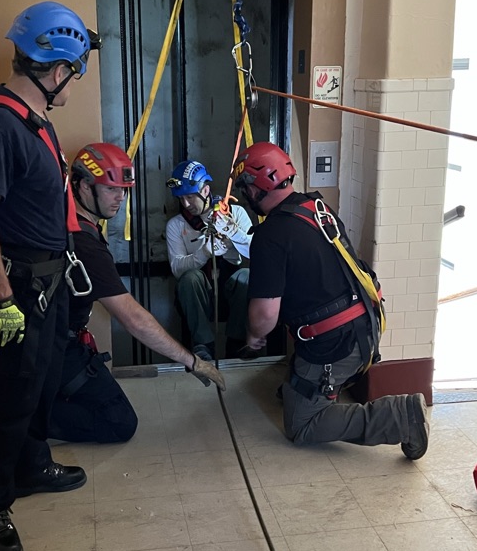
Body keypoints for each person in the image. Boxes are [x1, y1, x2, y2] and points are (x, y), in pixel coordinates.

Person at [0, 1, 97, 551]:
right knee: (8, 398)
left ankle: (32, 465)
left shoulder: (32, 116)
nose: (73, 82)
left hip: (50, 279)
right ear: (57, 68)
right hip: (18, 286)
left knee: (41, 384)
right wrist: (2, 300)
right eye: (75, 71)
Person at [232, 141, 430, 458]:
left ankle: (401, 416)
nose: (245, 195)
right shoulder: (315, 208)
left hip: (338, 345)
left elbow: (264, 316)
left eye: (245, 188)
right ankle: (308, 388)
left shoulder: (270, 236)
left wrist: (254, 336)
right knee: (296, 383)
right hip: (366, 323)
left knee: (301, 425)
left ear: (257, 186)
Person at [50, 143, 226, 443]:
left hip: (62, 341)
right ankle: (29, 418)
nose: (120, 197)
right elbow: (133, 318)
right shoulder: (83, 241)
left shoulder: (75, 227)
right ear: (83, 186)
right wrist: (193, 361)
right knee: (119, 423)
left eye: (123, 190)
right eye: (111, 189)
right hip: (54, 348)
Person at [165, 160, 252, 362]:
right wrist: (203, 252)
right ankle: (203, 344)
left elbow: (257, 253)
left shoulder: (235, 213)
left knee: (247, 276)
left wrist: (234, 235)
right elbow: (177, 268)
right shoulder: (177, 225)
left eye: (189, 197)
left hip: (232, 292)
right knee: (190, 278)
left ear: (205, 190)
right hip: (199, 296)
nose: (186, 204)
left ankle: (237, 343)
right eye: (181, 198)